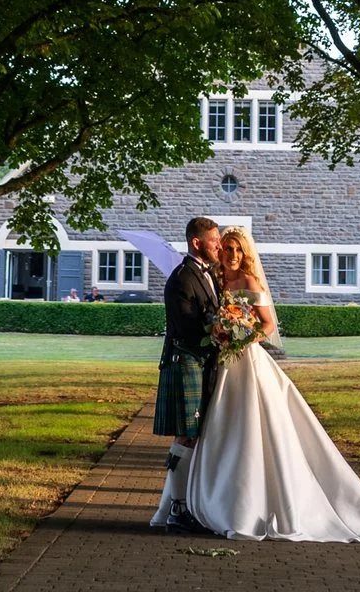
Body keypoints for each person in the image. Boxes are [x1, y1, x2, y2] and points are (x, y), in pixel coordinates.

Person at [161, 228, 360, 544]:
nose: (231, 254)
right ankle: (209, 498)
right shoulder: (217, 280)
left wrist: (242, 338)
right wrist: (223, 334)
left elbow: (267, 324)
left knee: (252, 424)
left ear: (245, 253)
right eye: (226, 248)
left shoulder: (250, 282)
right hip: (222, 364)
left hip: (247, 360)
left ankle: (249, 501)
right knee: (219, 427)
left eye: (237, 249)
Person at [151, 216, 225, 533]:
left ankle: (176, 506)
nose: (219, 246)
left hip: (200, 362)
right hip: (185, 361)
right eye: (214, 241)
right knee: (187, 435)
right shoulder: (182, 278)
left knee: (192, 435)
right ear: (197, 243)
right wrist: (222, 331)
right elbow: (187, 328)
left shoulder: (207, 274)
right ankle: (177, 511)